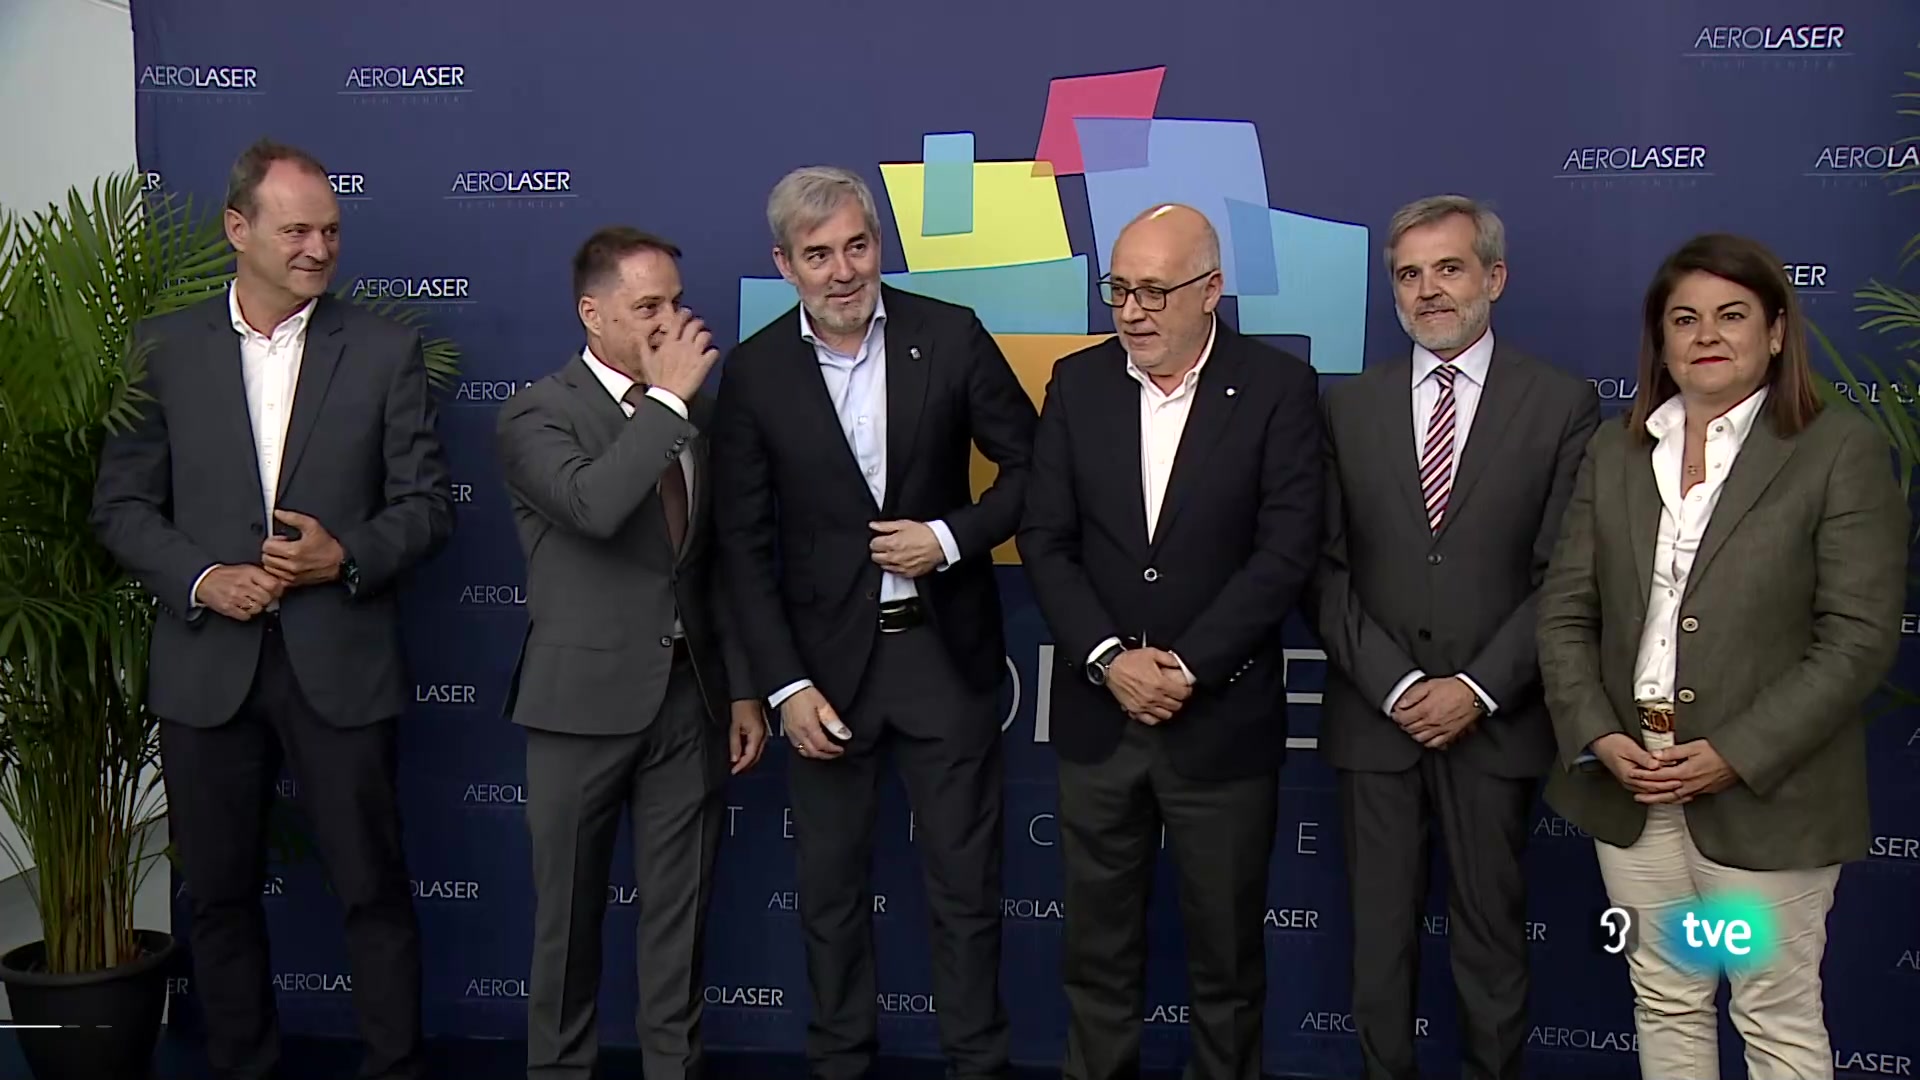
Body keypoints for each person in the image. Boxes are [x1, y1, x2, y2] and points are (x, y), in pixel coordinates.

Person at [89, 138, 452, 1080]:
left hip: (342, 663)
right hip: (206, 664)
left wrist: (345, 557)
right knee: (216, 898)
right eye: (296, 231)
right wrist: (204, 577)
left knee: (373, 890)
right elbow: (121, 507)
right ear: (237, 229)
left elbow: (425, 509)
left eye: (330, 231)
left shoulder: (385, 351)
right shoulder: (162, 348)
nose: (318, 249)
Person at [1538, 232, 1906, 1080]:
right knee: (1665, 996)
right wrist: (1600, 736)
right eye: (1684, 319)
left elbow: (1857, 637)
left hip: (1763, 795)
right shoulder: (1616, 450)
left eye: (1731, 315)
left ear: (1775, 332)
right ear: (1660, 341)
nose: (1706, 334)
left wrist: (1733, 754)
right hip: (1633, 785)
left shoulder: (1837, 450)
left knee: (1773, 1016)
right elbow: (1564, 613)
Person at [708, 165, 1037, 1080]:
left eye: (857, 246)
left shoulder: (950, 334)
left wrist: (949, 537)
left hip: (944, 657)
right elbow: (743, 545)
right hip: (822, 675)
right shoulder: (757, 372)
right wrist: (783, 686)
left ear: (878, 246)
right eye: (818, 255)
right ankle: (840, 1061)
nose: (843, 270)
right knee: (829, 895)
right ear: (785, 265)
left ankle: (977, 1063)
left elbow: (1033, 468)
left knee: (967, 891)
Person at [1017, 203, 1323, 1080]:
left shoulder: (1277, 388)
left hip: (1221, 725)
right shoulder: (1077, 385)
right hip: (1099, 722)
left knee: (1226, 966)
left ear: (1211, 289)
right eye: (1119, 289)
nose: (1132, 311)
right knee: (1096, 958)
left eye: (1154, 291)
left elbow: (1286, 550)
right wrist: (1110, 660)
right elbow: (1045, 539)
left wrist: (1187, 667)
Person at [1307, 195, 1599, 1080]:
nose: (1428, 290)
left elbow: (1565, 577)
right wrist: (1398, 687)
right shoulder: (1346, 407)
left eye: (1448, 268)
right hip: (1375, 722)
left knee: (1491, 942)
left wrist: (1474, 689)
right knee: (1378, 945)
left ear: (1493, 278)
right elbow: (1321, 568)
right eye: (1409, 274)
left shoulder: (1561, 404)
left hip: (1495, 723)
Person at [495, 227, 768, 1080]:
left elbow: (715, 565)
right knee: (568, 925)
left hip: (690, 700)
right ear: (592, 312)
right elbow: (594, 505)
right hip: (579, 706)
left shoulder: (698, 415)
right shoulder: (537, 412)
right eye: (648, 305)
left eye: (676, 303)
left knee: (680, 925)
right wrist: (670, 404)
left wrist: (743, 690)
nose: (669, 322)